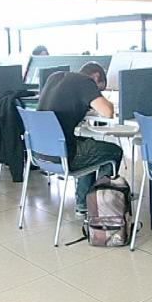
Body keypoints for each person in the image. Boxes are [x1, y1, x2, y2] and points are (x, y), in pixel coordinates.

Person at [38, 62, 123, 215]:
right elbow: (107, 111)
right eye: (99, 90)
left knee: (88, 146)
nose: (97, 93)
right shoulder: (85, 82)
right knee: (114, 151)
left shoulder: (54, 77)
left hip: (41, 154)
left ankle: (83, 203)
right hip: (65, 155)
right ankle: (99, 204)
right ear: (96, 77)